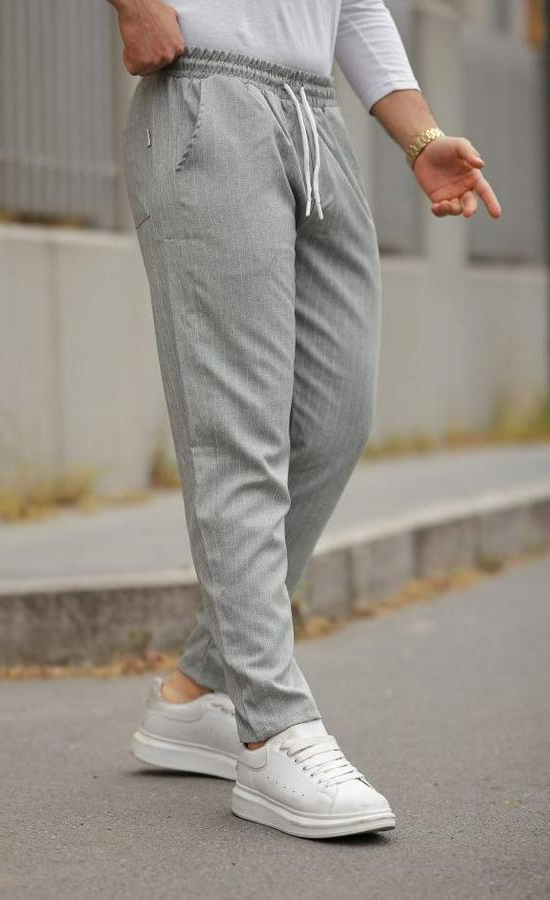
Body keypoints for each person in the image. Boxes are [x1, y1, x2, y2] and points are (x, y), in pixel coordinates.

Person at [108, 0, 501, 839]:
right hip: (205, 96)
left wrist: (421, 140)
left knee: (334, 417)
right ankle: (272, 728)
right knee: (236, 435)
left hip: (314, 116)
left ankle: (200, 688)